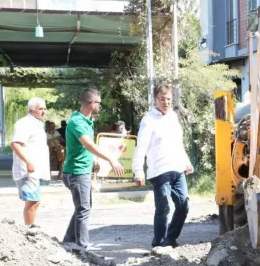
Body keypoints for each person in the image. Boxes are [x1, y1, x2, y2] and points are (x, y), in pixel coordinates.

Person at [62, 88, 125, 249]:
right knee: (84, 209)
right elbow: (88, 144)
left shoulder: (87, 120)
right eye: (99, 103)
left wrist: (94, 160)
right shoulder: (77, 122)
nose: (100, 106)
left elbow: (87, 148)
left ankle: (68, 243)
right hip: (76, 173)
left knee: (81, 208)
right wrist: (110, 159)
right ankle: (83, 248)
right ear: (91, 104)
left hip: (81, 171)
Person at [133, 84, 194, 248]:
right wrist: (138, 171)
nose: (166, 102)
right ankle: (159, 244)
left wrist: (186, 161)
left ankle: (171, 237)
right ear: (155, 100)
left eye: (168, 99)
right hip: (160, 170)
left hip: (177, 167)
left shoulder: (173, 117)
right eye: (162, 99)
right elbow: (141, 147)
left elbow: (178, 143)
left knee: (183, 205)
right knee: (163, 208)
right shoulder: (148, 120)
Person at [10, 97, 50, 228]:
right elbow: (15, 144)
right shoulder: (24, 124)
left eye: (45, 108)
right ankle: (29, 229)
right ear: (31, 110)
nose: (43, 111)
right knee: (32, 201)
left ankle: (30, 227)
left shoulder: (37, 123)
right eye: (40, 109)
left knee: (35, 201)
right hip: (28, 170)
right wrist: (28, 162)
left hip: (35, 169)